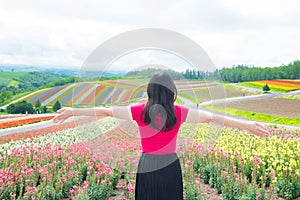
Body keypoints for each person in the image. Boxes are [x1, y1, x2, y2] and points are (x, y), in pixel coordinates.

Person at [53, 71, 270, 200]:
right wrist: (246, 125)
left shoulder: (140, 111)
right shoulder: (178, 112)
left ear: (150, 90)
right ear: (171, 91)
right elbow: (211, 117)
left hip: (147, 165)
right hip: (170, 166)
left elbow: (105, 111)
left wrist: (74, 111)